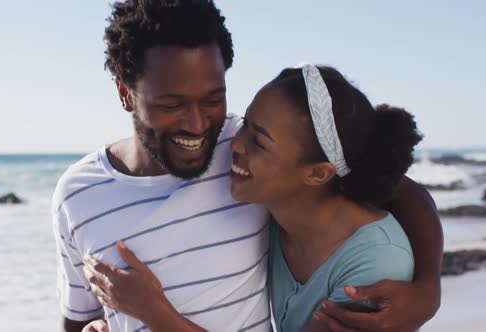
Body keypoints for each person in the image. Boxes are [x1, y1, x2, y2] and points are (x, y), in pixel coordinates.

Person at [52, 1, 443, 331]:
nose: (197, 124)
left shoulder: (243, 149)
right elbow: (78, 318)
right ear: (125, 91)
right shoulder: (78, 194)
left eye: (212, 99)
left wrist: (427, 289)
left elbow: (399, 189)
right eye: (171, 104)